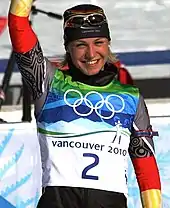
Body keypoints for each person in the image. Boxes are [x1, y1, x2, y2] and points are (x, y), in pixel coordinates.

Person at [8, 1, 161, 207]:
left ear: (108, 44)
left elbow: (146, 167)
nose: (91, 54)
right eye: (80, 45)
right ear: (67, 47)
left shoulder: (130, 98)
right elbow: (19, 26)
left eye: (98, 42)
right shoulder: (47, 83)